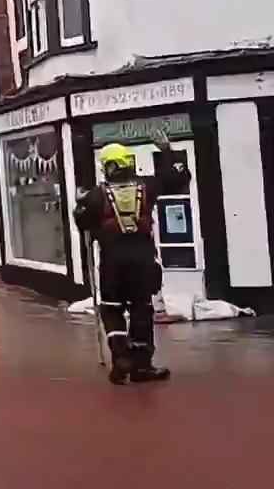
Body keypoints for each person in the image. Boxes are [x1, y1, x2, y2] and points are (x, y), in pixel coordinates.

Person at [74, 131, 191, 384]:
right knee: (141, 308)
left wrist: (80, 204)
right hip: (143, 259)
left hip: (112, 262)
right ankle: (141, 365)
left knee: (112, 309)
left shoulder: (96, 195)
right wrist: (167, 150)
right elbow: (179, 178)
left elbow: (82, 222)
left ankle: (120, 356)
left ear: (109, 166)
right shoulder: (147, 187)